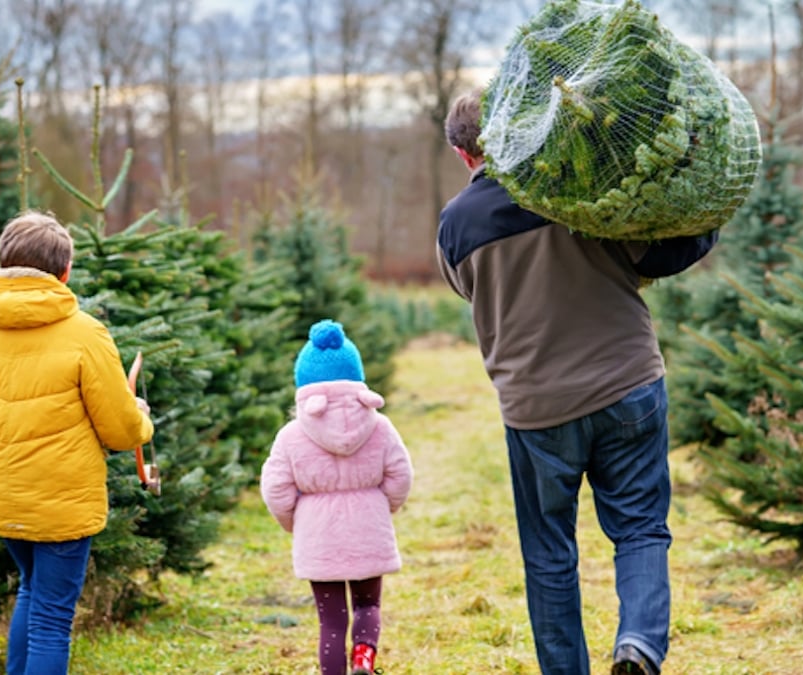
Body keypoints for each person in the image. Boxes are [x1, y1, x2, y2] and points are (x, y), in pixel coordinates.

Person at [436, 89, 719, 675]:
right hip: (628, 385)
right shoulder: (576, 188)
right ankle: (638, 642)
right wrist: (705, 218)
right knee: (640, 526)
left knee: (548, 555)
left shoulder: (455, 226)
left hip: (537, 409)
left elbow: (469, 290)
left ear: (466, 156)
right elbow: (657, 255)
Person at [0, 210, 154, 675]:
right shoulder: (86, 334)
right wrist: (142, 423)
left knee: (32, 592)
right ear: (64, 272)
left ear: (4, 265)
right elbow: (121, 433)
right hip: (64, 506)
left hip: (3, 500)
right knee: (52, 619)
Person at [260, 319, 414, 675]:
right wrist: (383, 507)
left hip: (318, 533)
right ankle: (363, 657)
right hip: (368, 527)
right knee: (367, 606)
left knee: (331, 622)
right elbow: (400, 475)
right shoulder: (381, 426)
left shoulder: (291, 435)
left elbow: (276, 488)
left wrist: (294, 521)